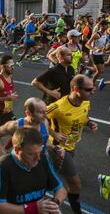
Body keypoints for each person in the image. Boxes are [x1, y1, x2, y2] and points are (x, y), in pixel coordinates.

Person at [0, 97, 52, 210]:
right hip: (19, 163)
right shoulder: (16, 125)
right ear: (28, 113)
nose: (45, 115)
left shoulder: (45, 123)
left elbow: (45, 140)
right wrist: (3, 154)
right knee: (16, 190)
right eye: (41, 112)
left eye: (46, 111)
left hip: (36, 162)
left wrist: (54, 148)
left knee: (21, 189)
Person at [46, 74, 97, 214]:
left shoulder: (85, 102)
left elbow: (82, 116)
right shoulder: (58, 106)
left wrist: (89, 122)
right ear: (75, 89)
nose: (92, 91)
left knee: (49, 179)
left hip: (71, 146)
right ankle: (58, 207)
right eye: (88, 89)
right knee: (75, 184)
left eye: (93, 88)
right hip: (58, 149)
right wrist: (53, 133)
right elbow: (40, 116)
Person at [0, 127, 67, 214]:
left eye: (39, 152)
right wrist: (33, 208)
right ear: (17, 149)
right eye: (31, 154)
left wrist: (53, 204)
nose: (38, 158)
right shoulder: (2, 166)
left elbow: (61, 190)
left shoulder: (43, 158)